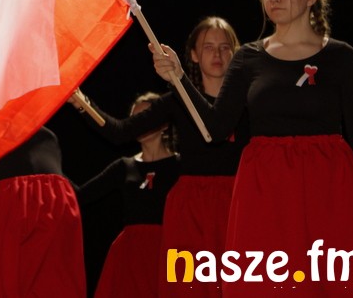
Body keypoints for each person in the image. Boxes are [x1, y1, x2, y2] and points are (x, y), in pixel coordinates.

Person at [151, 0, 353, 297]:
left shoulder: (342, 57)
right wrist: (179, 79)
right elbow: (215, 128)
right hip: (266, 190)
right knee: (267, 283)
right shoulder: (248, 58)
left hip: (329, 187)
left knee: (332, 282)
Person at [71, 15, 246, 298]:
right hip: (191, 210)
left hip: (236, 203)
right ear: (193, 54)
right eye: (208, 47)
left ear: (235, 52)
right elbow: (119, 132)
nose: (217, 54)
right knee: (189, 290)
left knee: (238, 287)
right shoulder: (177, 101)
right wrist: (81, 102)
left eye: (225, 47)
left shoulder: (248, 101)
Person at [0, 125, 86, 297]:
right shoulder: (49, 135)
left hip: (12, 203)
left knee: (7, 285)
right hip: (59, 201)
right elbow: (73, 188)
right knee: (57, 284)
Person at [78, 92, 180, 298]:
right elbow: (80, 196)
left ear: (164, 124)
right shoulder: (124, 167)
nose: (139, 124)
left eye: (146, 117)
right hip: (131, 255)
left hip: (171, 253)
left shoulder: (182, 166)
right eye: (135, 119)